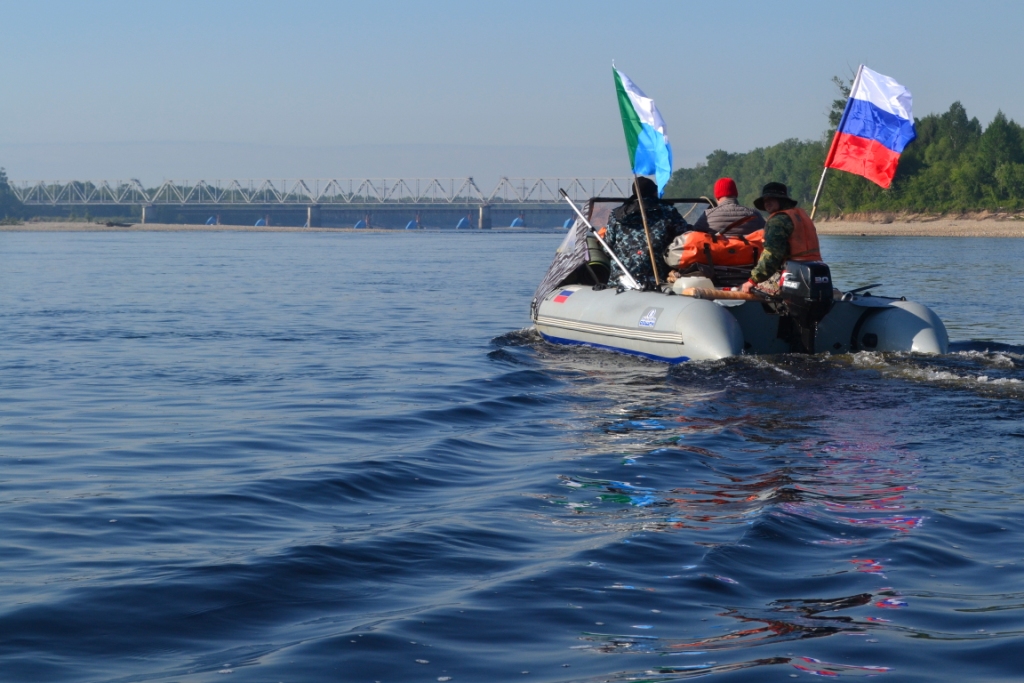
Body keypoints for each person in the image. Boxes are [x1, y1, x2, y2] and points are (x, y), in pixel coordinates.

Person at [603, 177, 687, 288]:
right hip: (656, 279)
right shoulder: (668, 212)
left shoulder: (616, 215)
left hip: (620, 280)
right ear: (654, 192)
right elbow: (685, 240)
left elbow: (607, 249)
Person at [740, 182, 822, 294]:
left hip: (792, 276)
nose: (767, 203)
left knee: (744, 288)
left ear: (781, 200)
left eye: (771, 199)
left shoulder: (777, 221)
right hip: (814, 274)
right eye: (765, 200)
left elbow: (772, 255)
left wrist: (753, 281)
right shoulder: (800, 216)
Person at [690, 177, 765, 236]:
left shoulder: (707, 215)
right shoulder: (755, 214)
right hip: (749, 255)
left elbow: (693, 237)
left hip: (717, 255)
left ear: (717, 197)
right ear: (735, 195)